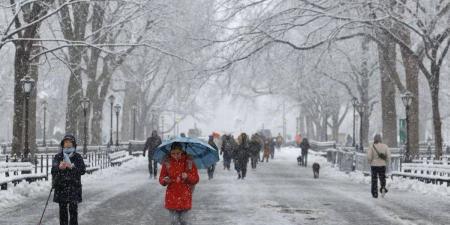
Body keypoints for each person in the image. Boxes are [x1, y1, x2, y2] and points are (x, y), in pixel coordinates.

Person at [159, 142, 199, 225]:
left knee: (184, 221)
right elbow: (161, 177)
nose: (175, 155)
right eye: (173, 153)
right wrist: (164, 180)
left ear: (182, 151)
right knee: (173, 221)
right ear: (170, 153)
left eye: (178, 153)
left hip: (185, 195)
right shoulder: (167, 162)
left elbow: (196, 179)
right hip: (172, 196)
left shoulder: (189, 162)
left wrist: (187, 176)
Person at [51, 134, 86, 225]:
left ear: (73, 144)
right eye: (66, 142)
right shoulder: (58, 157)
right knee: (62, 212)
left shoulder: (77, 157)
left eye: (69, 142)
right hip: (61, 188)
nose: (67, 144)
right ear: (63, 144)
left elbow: (82, 170)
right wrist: (59, 168)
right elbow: (53, 171)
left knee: (73, 211)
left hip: (74, 187)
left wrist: (72, 167)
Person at [367, 134, 391, 198]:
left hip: (374, 165)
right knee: (382, 178)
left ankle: (375, 193)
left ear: (374, 139)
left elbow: (369, 157)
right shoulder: (385, 146)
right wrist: (386, 162)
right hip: (382, 165)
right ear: (381, 139)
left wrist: (370, 162)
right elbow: (388, 156)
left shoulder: (372, 146)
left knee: (374, 179)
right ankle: (383, 187)